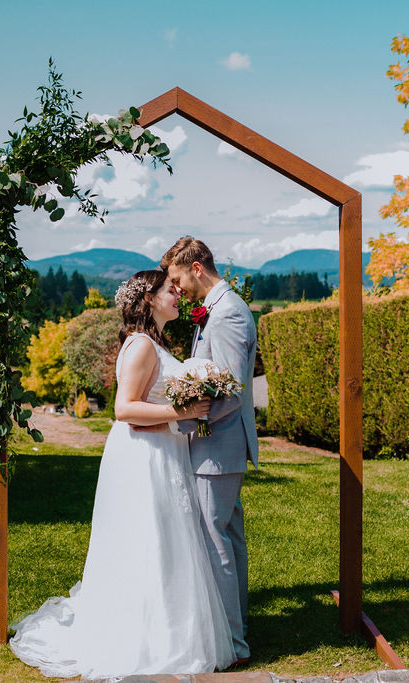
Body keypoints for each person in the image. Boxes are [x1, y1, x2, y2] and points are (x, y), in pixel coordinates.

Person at [9, 269, 235, 678]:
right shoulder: (141, 347)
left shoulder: (155, 344)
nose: (179, 293)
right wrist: (181, 412)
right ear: (148, 299)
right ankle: (138, 637)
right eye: (170, 289)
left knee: (166, 543)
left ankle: (169, 632)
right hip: (143, 457)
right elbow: (124, 410)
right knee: (147, 540)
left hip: (163, 451)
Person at [161, 236, 259, 666]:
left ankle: (233, 644)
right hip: (217, 446)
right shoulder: (215, 310)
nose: (177, 288)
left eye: (177, 278)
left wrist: (186, 419)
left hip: (218, 446)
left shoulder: (229, 312)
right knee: (229, 539)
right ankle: (235, 630)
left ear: (196, 269)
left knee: (215, 539)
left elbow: (234, 390)